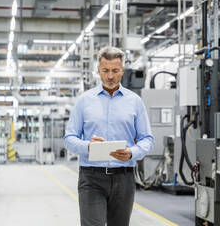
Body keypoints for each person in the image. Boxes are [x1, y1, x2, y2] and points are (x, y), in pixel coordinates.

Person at [64, 46, 154, 226]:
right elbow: (69, 138)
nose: (110, 76)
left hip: (124, 178)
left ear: (122, 70)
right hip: (91, 178)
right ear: (98, 70)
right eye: (105, 71)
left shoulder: (134, 101)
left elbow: (147, 139)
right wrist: (88, 146)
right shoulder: (84, 101)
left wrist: (132, 152)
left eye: (115, 71)